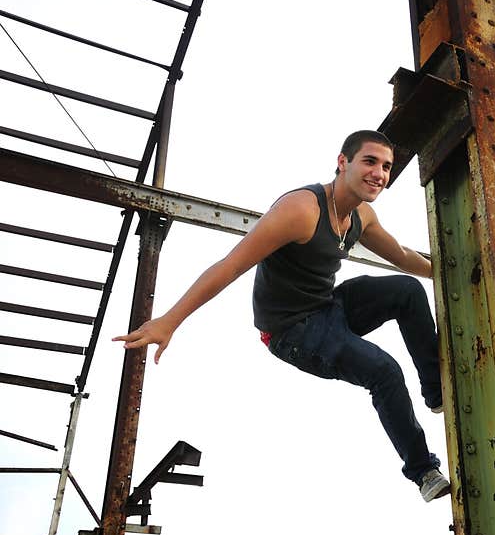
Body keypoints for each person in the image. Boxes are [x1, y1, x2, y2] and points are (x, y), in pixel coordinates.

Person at [114, 129, 451, 503]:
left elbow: (402, 257)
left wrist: (447, 270)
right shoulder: (302, 210)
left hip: (329, 306)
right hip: (293, 331)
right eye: (369, 162)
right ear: (343, 163)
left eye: (386, 167)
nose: (379, 173)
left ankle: (436, 392)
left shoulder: (362, 215)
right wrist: (170, 320)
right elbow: (230, 266)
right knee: (384, 370)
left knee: (406, 290)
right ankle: (424, 472)